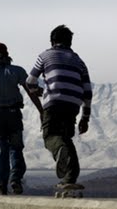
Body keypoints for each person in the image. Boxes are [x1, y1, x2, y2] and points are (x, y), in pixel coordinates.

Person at [26, 24, 92, 187]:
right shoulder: (79, 61)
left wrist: (37, 91)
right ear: (70, 42)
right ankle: (70, 178)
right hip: (72, 105)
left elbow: (30, 81)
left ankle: (60, 151)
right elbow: (88, 92)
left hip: (53, 102)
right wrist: (85, 118)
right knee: (66, 138)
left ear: (52, 41)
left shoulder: (45, 56)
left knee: (51, 137)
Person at [0, 43, 43, 195]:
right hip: (14, 115)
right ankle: (15, 179)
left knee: (0, 151)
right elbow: (31, 91)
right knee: (16, 148)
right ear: (7, 54)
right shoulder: (17, 71)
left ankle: (0, 186)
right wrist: (41, 110)